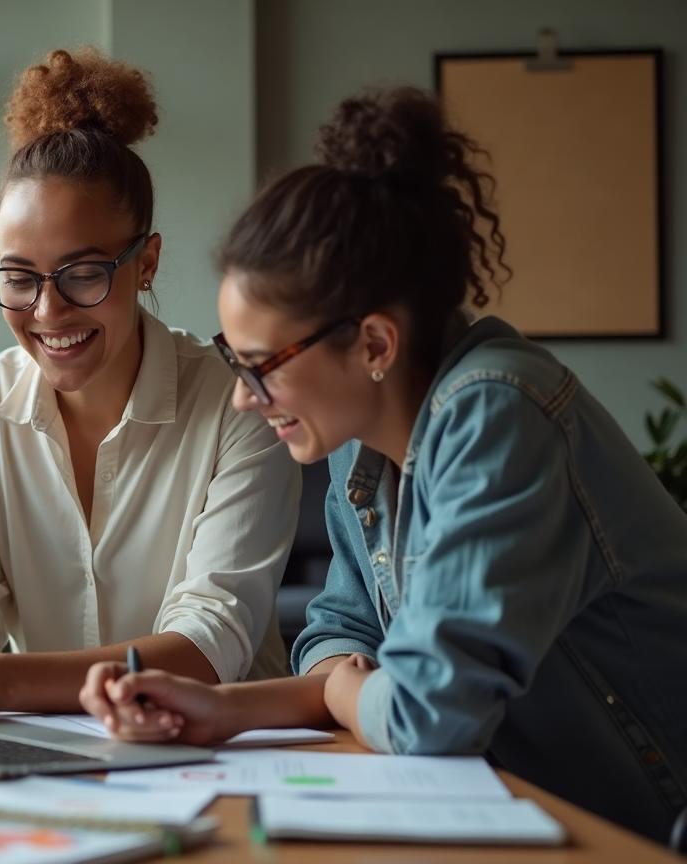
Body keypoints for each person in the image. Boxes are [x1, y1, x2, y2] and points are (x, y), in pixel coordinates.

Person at [79, 86, 687, 840]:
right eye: (236, 362)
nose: (243, 399)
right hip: (527, 810)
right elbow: (338, 627)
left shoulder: (499, 414)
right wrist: (221, 708)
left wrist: (340, 694)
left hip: (646, 827)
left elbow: (429, 712)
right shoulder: (360, 439)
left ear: (373, 345)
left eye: (262, 365)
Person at [0, 48, 300, 720]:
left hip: (222, 744)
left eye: (84, 273)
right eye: (20, 277)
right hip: (54, 748)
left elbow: (211, 642)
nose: (49, 312)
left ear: (146, 262)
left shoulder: (238, 403)